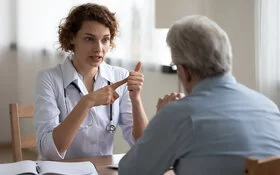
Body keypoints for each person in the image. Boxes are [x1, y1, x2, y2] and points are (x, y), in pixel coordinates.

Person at [119, 15, 280, 175]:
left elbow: (131, 171)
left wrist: (163, 119)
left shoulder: (178, 115)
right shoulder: (268, 106)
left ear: (185, 71)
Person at [33, 3, 148, 160]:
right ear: (72, 38)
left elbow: (143, 144)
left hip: (101, 171)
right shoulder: (49, 78)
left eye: (105, 40)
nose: (99, 48)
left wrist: (136, 99)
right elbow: (50, 151)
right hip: (60, 170)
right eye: (89, 39)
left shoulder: (120, 76)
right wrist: (87, 102)